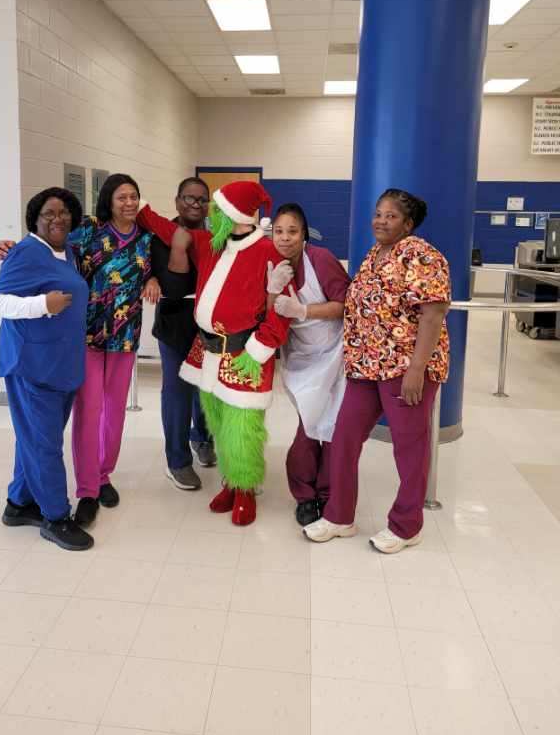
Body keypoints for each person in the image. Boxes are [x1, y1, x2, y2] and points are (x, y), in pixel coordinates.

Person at [0, 174, 158, 529]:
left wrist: (152, 278)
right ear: (108, 202)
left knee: (114, 413)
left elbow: (156, 271)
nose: (128, 203)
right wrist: (10, 247)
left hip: (124, 337)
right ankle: (87, 490)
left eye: (134, 196)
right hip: (82, 337)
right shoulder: (87, 230)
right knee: (88, 411)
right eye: (121, 198)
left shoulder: (148, 239)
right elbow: (43, 241)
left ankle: (102, 476)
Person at [137, 181, 293, 526]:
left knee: (243, 428)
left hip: (244, 354)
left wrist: (259, 348)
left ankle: (246, 489)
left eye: (218, 210)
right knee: (219, 423)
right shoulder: (211, 244)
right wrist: (141, 208)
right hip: (206, 352)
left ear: (234, 214)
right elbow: (169, 229)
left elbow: (283, 308)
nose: (211, 214)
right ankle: (230, 482)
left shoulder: (269, 253)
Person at [304, 188, 451, 554]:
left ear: (408, 223)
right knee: (344, 437)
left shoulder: (421, 254)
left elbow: (433, 314)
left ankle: (406, 525)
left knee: (409, 447)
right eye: (378, 213)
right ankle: (340, 516)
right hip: (366, 366)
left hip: (406, 367)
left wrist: (417, 370)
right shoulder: (374, 254)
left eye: (391, 216)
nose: (381, 221)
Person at [0, 187, 93, 551]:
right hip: (32, 365)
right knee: (44, 443)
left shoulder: (66, 250)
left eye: (64, 213)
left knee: (35, 438)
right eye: (49, 213)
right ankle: (55, 516)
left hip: (60, 364)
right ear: (34, 218)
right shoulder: (25, 252)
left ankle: (18, 504)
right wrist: (42, 305)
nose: (58, 219)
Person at [270, 203, 350, 527]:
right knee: (309, 423)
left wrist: (303, 311)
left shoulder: (321, 260)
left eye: (293, 231)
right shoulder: (269, 264)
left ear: (304, 234)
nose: (285, 238)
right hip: (299, 358)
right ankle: (304, 494)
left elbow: (345, 305)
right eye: (279, 231)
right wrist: (272, 288)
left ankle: (327, 493)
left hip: (334, 354)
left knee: (329, 426)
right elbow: (264, 313)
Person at [151, 177, 215, 492]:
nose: (194, 204)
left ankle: (201, 437)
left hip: (210, 328)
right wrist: (178, 248)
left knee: (207, 388)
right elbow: (174, 287)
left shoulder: (219, 236)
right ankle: (177, 461)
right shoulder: (161, 236)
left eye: (201, 199)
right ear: (177, 201)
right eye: (188, 198)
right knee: (177, 393)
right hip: (175, 326)